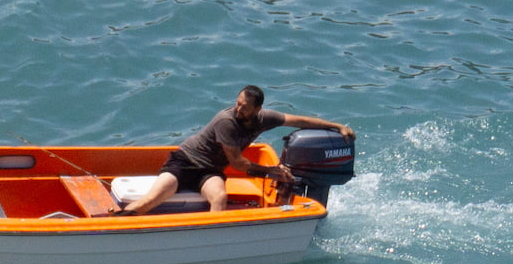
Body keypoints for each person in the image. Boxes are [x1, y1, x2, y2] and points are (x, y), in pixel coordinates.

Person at [117, 86, 355, 213]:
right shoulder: (226, 121)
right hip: (184, 163)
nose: (238, 110)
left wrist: (337, 126)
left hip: (209, 171)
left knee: (219, 198)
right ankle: (118, 220)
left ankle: (211, 244)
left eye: (245, 107)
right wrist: (272, 172)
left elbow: (299, 121)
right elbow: (239, 163)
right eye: (238, 104)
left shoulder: (265, 118)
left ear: (257, 109)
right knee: (152, 200)